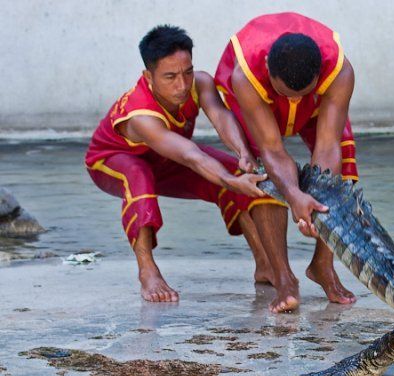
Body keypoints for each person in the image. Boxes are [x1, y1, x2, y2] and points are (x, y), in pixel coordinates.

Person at [86, 25, 283, 304]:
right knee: (139, 175)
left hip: (168, 157)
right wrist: (230, 181)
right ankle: (148, 271)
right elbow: (191, 155)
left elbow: (221, 116)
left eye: (187, 72)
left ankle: (264, 263)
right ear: (148, 77)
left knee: (240, 172)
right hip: (111, 161)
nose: (182, 85)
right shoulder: (141, 115)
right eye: (170, 77)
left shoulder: (200, 83)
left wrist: (243, 154)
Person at [215, 12, 360, 313]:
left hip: (315, 104)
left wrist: (316, 205)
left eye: (301, 96)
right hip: (257, 98)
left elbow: (327, 145)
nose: (293, 103)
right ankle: (283, 278)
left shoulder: (340, 71)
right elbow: (273, 150)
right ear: (268, 68)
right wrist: (294, 196)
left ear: (319, 77)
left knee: (343, 163)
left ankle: (322, 265)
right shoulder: (247, 75)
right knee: (259, 173)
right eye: (286, 95)